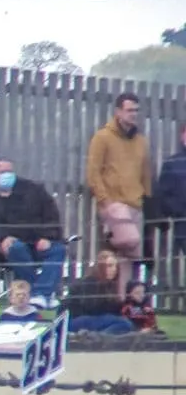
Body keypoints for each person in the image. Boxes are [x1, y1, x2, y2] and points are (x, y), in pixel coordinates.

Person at [0, 158, 68, 304]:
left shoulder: (34, 192)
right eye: (1, 172)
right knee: (16, 248)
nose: (6, 175)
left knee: (58, 249)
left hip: (36, 243)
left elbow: (51, 216)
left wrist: (47, 237)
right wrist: (1, 238)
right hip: (1, 251)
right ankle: (37, 294)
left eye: (9, 171)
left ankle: (41, 294)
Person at [86, 90, 149, 294]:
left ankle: (122, 301)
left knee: (125, 260)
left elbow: (145, 172)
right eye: (129, 110)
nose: (133, 114)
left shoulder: (141, 141)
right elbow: (93, 171)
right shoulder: (103, 137)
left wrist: (146, 197)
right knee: (130, 243)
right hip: (113, 203)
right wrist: (105, 201)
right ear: (118, 111)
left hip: (135, 204)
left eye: (136, 111)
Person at [63, 250, 135, 335]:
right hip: (76, 319)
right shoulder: (90, 282)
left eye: (116, 266)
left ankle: (95, 335)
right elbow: (92, 308)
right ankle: (98, 337)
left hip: (92, 319)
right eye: (109, 266)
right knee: (124, 323)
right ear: (100, 267)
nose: (114, 270)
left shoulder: (109, 285)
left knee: (124, 323)